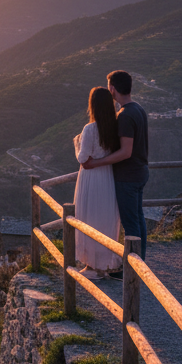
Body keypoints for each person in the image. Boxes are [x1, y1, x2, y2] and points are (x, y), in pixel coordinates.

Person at [81, 69, 150, 272]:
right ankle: (141, 262)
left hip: (128, 176)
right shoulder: (138, 109)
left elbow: (125, 152)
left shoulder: (126, 115)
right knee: (138, 219)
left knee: (130, 224)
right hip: (140, 172)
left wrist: (97, 162)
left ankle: (132, 270)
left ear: (112, 88)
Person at [73, 87, 122, 275]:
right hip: (108, 177)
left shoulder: (90, 128)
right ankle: (104, 265)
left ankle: (91, 266)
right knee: (105, 219)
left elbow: (83, 158)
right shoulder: (115, 127)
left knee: (88, 217)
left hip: (91, 178)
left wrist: (77, 143)